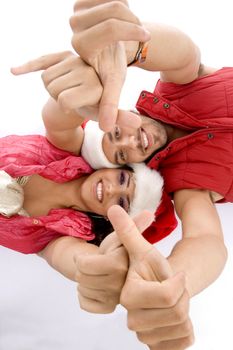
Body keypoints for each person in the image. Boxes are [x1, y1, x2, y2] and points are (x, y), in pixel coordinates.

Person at [11, 1, 230, 349]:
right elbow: (206, 240)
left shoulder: (179, 88)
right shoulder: (184, 184)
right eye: (124, 154)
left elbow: (184, 54)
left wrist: (128, 48)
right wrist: (173, 282)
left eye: (116, 133)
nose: (131, 139)